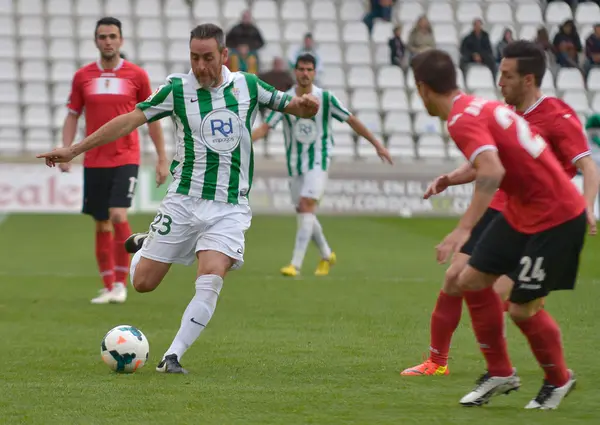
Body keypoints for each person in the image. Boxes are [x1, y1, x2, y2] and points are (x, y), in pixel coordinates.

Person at [37, 23, 320, 374]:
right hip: (183, 201)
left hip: (229, 206)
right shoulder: (177, 89)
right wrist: (75, 149)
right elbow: (128, 121)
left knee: (213, 274)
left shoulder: (248, 85)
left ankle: (172, 356)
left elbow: (294, 107)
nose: (200, 66)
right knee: (142, 283)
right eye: (194, 57)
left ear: (224, 56)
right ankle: (145, 245)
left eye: (207, 58)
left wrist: (308, 106)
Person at [401, 41, 598, 378]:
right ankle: (438, 362)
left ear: (529, 79)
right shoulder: (503, 112)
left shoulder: (558, 115)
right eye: (499, 73)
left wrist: (589, 208)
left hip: (539, 215)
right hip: (499, 208)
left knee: (503, 296)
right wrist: (450, 178)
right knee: (455, 278)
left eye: (506, 75)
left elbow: (588, 168)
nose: (499, 81)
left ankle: (511, 369)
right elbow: (487, 164)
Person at [251, 54, 393, 277]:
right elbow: (265, 128)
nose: (305, 73)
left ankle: (295, 265)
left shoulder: (325, 98)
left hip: (318, 160)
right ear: (295, 72)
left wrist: (377, 145)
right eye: (301, 69)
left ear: (314, 72)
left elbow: (351, 120)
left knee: (307, 205)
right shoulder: (285, 100)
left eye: (309, 69)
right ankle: (327, 254)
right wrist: (241, 142)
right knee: (304, 211)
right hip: (295, 164)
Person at [61, 17, 168, 305]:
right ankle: (109, 285)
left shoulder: (137, 76)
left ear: (121, 40)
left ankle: (125, 278)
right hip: (95, 161)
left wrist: (162, 158)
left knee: (118, 215)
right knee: (100, 224)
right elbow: (73, 114)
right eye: (102, 36)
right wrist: (67, 149)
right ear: (96, 41)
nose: (107, 41)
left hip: (125, 157)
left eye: (112, 36)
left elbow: (152, 117)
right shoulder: (83, 76)